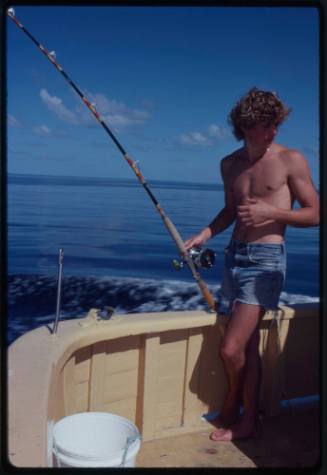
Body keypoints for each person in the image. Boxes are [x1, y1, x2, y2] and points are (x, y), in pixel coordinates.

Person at [184, 87, 319, 441]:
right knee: (246, 348)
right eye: (266, 125)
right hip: (234, 257)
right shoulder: (229, 164)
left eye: (276, 123)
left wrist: (272, 212)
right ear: (245, 127)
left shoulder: (291, 160)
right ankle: (250, 419)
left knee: (230, 348)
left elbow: (315, 213)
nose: (274, 131)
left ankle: (233, 406)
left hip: (266, 261)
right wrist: (205, 233)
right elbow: (231, 210)